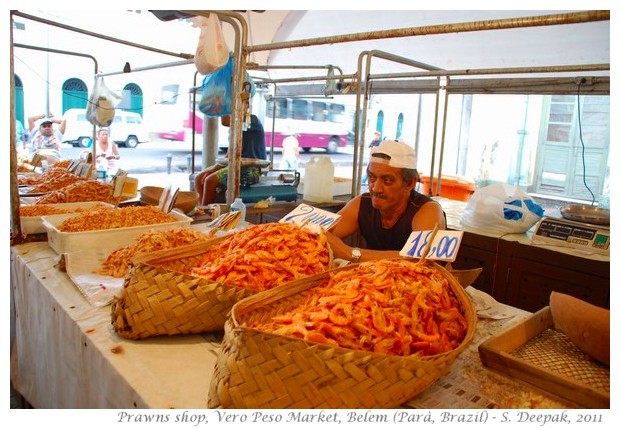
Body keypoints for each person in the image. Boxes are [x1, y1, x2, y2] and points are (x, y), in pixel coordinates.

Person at [327, 140, 446, 263]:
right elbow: (318, 233)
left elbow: (422, 260)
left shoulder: (427, 210)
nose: (376, 188)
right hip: (377, 279)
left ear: (410, 183)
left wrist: (350, 253)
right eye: (372, 177)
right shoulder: (362, 203)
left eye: (387, 180)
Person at [194, 114, 267, 206]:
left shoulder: (252, 120)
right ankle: (202, 209)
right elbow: (229, 154)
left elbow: (225, 121)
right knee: (198, 178)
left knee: (210, 180)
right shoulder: (234, 128)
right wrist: (213, 170)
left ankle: (208, 213)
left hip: (253, 168)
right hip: (235, 164)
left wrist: (223, 107)